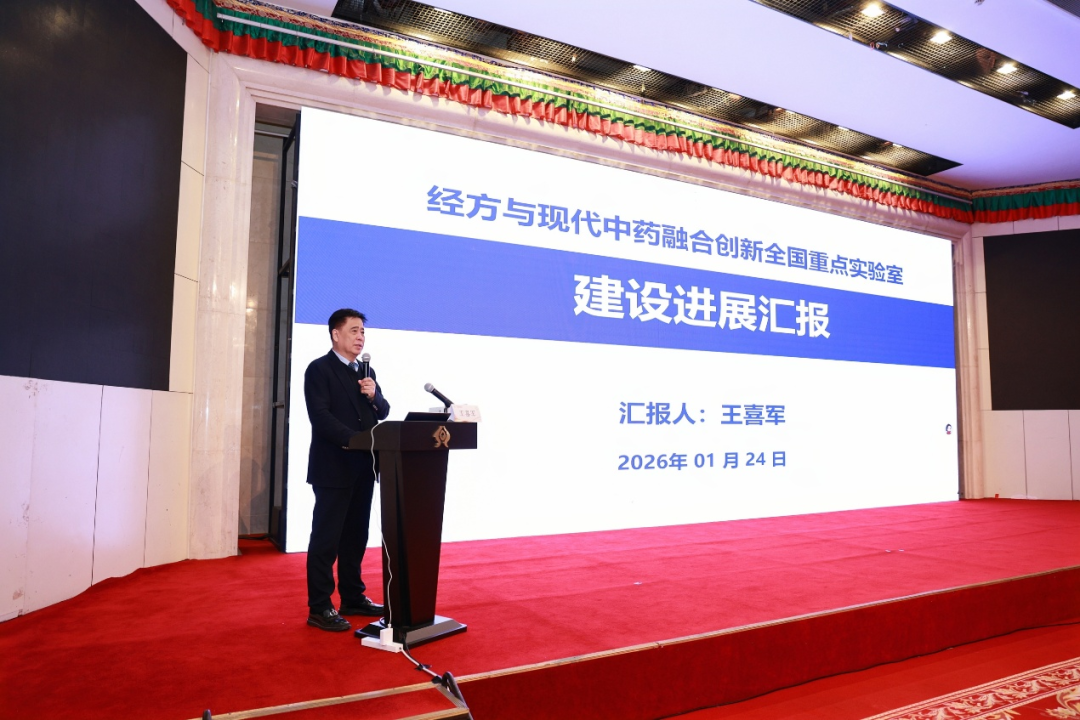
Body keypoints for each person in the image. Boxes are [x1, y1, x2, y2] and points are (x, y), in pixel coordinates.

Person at [304, 308, 391, 631]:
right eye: (354, 331)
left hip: (363, 467)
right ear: (335, 334)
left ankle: (352, 597)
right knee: (326, 538)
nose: (360, 337)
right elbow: (320, 416)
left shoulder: (366, 372)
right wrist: (353, 440)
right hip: (333, 467)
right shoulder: (319, 369)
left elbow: (383, 411)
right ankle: (319, 606)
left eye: (363, 332)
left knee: (355, 536)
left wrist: (374, 395)